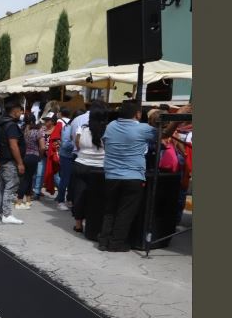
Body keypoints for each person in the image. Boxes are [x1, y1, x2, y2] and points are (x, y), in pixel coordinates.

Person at [97, 101, 176, 252]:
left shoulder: (111, 126)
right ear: (137, 114)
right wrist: (177, 118)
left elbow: (106, 144)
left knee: (110, 210)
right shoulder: (142, 128)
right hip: (133, 176)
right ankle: (116, 243)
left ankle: (103, 241)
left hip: (111, 175)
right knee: (125, 211)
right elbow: (165, 135)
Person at [71, 105, 107, 234]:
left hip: (81, 164)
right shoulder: (107, 131)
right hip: (100, 167)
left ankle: (78, 224)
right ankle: (93, 223)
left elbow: (77, 144)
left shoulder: (83, 128)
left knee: (79, 194)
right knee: (96, 197)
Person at [0, 98, 26, 225]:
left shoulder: (2, 124)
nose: (21, 113)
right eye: (20, 111)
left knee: (2, 186)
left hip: (4, 159)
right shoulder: (11, 125)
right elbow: (13, 145)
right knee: (10, 186)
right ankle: (7, 214)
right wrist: (20, 163)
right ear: (15, 111)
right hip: (10, 161)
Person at [14, 113, 42, 209]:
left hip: (23, 156)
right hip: (33, 156)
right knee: (26, 179)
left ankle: (28, 200)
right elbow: (42, 147)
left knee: (28, 178)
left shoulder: (21, 130)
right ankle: (19, 201)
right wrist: (40, 156)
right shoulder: (37, 132)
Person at [34, 110, 56, 199]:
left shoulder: (57, 130)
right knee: (39, 174)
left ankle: (61, 193)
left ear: (53, 121)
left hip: (53, 156)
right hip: (42, 155)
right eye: (45, 120)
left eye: (48, 120)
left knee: (55, 175)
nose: (46, 122)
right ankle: (37, 192)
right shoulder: (42, 129)